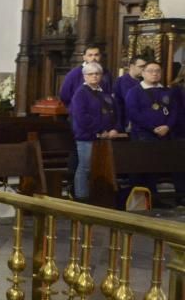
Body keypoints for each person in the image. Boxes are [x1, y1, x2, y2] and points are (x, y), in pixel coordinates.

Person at [124, 61, 185, 205]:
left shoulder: (166, 91)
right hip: (142, 135)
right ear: (143, 73)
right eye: (150, 71)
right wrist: (152, 128)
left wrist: (168, 126)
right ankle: (140, 201)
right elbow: (133, 113)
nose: (154, 73)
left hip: (164, 135)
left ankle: (154, 199)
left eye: (157, 71)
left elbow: (174, 111)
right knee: (142, 168)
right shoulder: (134, 91)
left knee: (157, 169)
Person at [69, 62, 121, 201]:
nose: (94, 76)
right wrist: (100, 130)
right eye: (91, 74)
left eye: (97, 74)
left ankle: (99, 195)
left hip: (105, 137)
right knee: (85, 167)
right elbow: (82, 117)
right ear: (84, 76)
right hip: (87, 136)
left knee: (101, 167)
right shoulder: (80, 94)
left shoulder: (105, 94)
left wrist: (115, 128)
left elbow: (115, 112)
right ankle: (81, 196)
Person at [115, 55, 147, 126]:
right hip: (127, 120)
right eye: (141, 66)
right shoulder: (123, 81)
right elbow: (130, 100)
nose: (144, 69)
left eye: (145, 67)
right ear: (132, 66)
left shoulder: (144, 81)